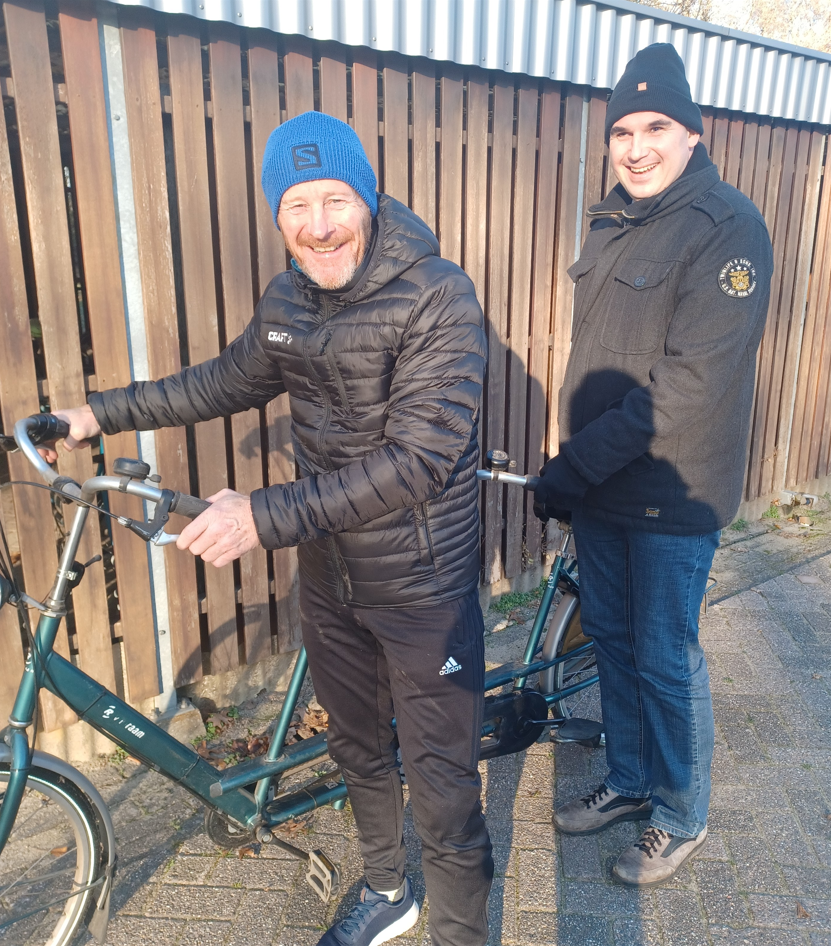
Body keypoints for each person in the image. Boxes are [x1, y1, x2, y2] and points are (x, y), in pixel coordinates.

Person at [43, 112, 492, 946]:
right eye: (295, 206)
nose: (318, 227)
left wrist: (258, 514)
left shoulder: (439, 296)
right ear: (276, 218)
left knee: (442, 783)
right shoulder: (288, 297)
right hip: (329, 575)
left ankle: (463, 932)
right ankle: (389, 890)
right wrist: (92, 415)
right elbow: (221, 381)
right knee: (356, 745)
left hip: (420, 587)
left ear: (367, 197)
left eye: (333, 200)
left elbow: (418, 460)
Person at [534, 43, 773, 887]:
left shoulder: (728, 229)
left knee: (665, 652)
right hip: (600, 483)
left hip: (673, 492)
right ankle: (630, 782)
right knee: (612, 641)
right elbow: (599, 356)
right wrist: (571, 462)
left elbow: (686, 385)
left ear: (692, 135)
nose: (635, 147)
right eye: (622, 131)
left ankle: (680, 814)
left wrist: (572, 465)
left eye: (656, 128)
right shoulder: (610, 221)